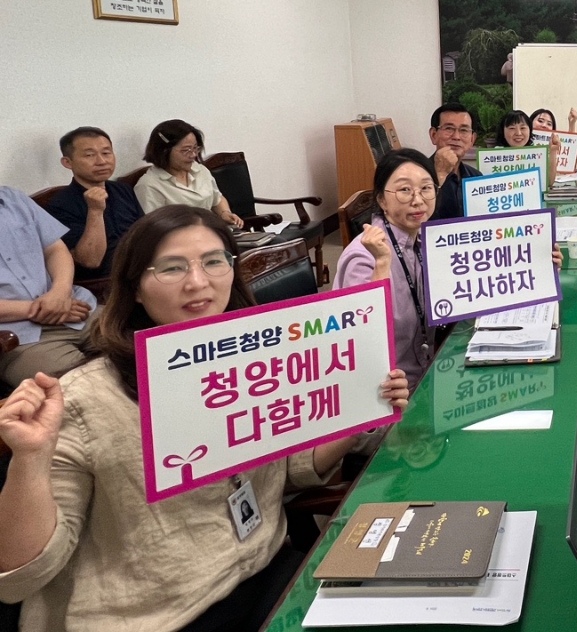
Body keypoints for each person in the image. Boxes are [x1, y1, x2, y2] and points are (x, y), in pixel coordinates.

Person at [0, 205, 410, 632]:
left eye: (214, 262)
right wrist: (30, 458)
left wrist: (361, 409)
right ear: (135, 287)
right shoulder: (84, 399)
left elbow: (292, 470)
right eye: (171, 268)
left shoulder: (258, 361)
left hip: (268, 573)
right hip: (159, 617)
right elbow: (22, 573)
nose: (198, 282)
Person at [335, 149, 439, 389]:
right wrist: (382, 263)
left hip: (428, 370)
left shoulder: (423, 239)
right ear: (382, 200)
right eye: (405, 190)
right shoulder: (363, 257)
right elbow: (362, 336)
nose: (418, 200)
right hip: (387, 390)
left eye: (426, 188)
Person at [0, 188, 97, 388]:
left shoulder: (13, 198)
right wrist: (44, 308)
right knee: (85, 387)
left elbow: (55, 249)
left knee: (144, 354)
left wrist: (60, 293)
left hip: (75, 309)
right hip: (17, 338)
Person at [45, 127, 145, 283]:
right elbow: (91, 261)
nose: (102, 161)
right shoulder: (59, 205)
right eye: (90, 155)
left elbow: (145, 232)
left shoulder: (122, 189)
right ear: (68, 162)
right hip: (104, 282)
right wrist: (95, 211)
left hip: (141, 270)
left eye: (106, 153)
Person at [134, 120, 243, 228]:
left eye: (195, 148)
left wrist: (225, 213)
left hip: (210, 232)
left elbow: (217, 199)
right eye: (186, 150)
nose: (193, 155)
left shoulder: (200, 170)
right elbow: (152, 229)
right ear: (164, 151)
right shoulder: (149, 185)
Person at [426, 103, 482, 221]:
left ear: (472, 139)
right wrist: (439, 175)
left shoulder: (476, 177)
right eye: (449, 129)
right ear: (433, 135)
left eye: (464, 130)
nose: (456, 137)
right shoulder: (417, 174)